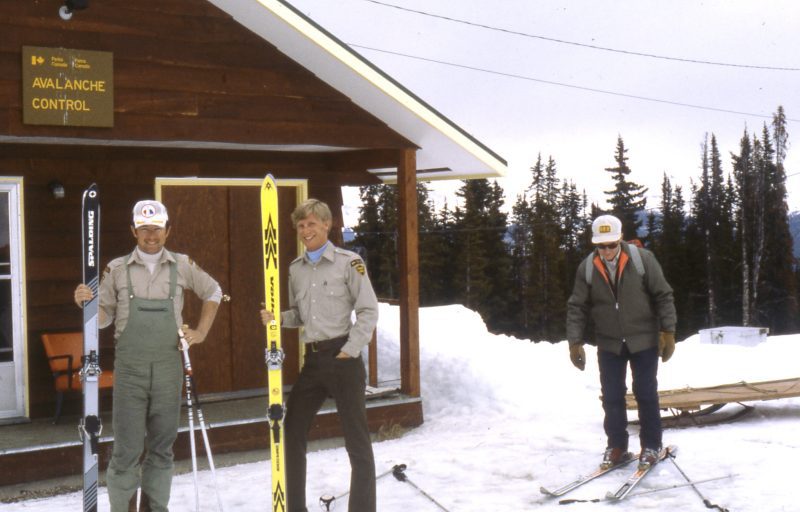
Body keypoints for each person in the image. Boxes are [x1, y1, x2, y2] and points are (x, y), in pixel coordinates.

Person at [74, 200, 222, 512]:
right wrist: (87, 303)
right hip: (130, 369)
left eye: (156, 229)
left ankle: (155, 508)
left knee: (162, 448)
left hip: (169, 368)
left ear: (167, 231)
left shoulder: (182, 265)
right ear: (134, 231)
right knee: (126, 449)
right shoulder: (116, 269)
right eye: (144, 229)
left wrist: (201, 332)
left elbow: (213, 292)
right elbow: (103, 319)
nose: (150, 235)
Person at [260, 198, 378, 512]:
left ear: (326, 225)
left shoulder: (348, 262)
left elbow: (368, 310)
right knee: (291, 430)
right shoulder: (295, 270)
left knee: (357, 440)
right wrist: (278, 319)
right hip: (312, 362)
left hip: (343, 359)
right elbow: (300, 315)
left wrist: (350, 350)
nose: (306, 230)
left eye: (312, 223)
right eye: (301, 225)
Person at [566, 214, 676, 469]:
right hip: (609, 343)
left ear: (620, 239)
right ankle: (616, 446)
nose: (606, 251)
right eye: (601, 246)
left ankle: (651, 446)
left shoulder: (643, 260)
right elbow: (577, 307)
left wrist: (667, 332)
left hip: (644, 340)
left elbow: (664, 295)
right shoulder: (588, 267)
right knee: (612, 396)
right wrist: (575, 341)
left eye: (611, 245)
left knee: (646, 393)